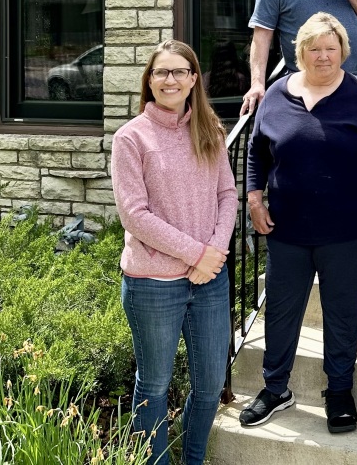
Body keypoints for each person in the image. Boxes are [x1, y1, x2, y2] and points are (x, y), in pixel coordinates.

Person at [242, 14, 357, 434]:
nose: (323, 55)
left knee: (343, 315)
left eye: (331, 48)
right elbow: (257, 152)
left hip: (348, 234)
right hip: (286, 231)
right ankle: (275, 388)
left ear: (344, 53)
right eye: (315, 48)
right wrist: (254, 199)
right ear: (301, 52)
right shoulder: (278, 93)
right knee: (280, 312)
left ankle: (339, 391)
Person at [111, 40, 235, 465]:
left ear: (193, 79)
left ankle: (193, 460)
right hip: (152, 285)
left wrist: (214, 252)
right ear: (149, 80)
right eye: (161, 72)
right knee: (154, 386)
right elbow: (134, 215)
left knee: (209, 383)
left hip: (209, 282)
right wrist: (196, 254)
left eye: (179, 71)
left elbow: (228, 196)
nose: (170, 80)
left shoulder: (210, 131)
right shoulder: (131, 138)